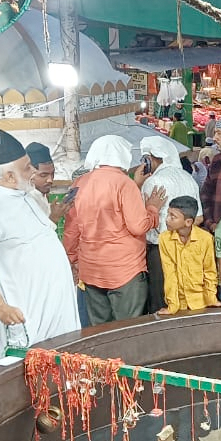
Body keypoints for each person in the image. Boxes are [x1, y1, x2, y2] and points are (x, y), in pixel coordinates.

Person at [0, 130, 79, 362]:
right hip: (27, 319)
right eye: (27, 168)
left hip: (54, 317)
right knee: (30, 376)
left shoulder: (26, 197)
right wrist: (1, 308)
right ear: (9, 176)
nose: (33, 172)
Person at [63, 135, 162, 325]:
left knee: (100, 330)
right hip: (125, 270)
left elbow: (71, 229)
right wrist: (152, 209)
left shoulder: (79, 183)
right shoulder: (124, 183)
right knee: (126, 329)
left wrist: (73, 260)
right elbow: (138, 226)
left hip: (91, 269)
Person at [137, 135, 200, 313]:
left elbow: (142, 219)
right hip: (188, 246)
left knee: (161, 300)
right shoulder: (188, 178)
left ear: (149, 159)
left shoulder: (153, 182)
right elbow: (199, 218)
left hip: (160, 249)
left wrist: (138, 185)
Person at [156, 196, 220, 316]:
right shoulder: (164, 239)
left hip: (201, 302)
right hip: (179, 304)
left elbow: (210, 271)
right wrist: (172, 305)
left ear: (188, 222)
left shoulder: (205, 239)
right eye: (168, 214)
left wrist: (211, 299)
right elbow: (169, 274)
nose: (167, 219)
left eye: (173, 216)